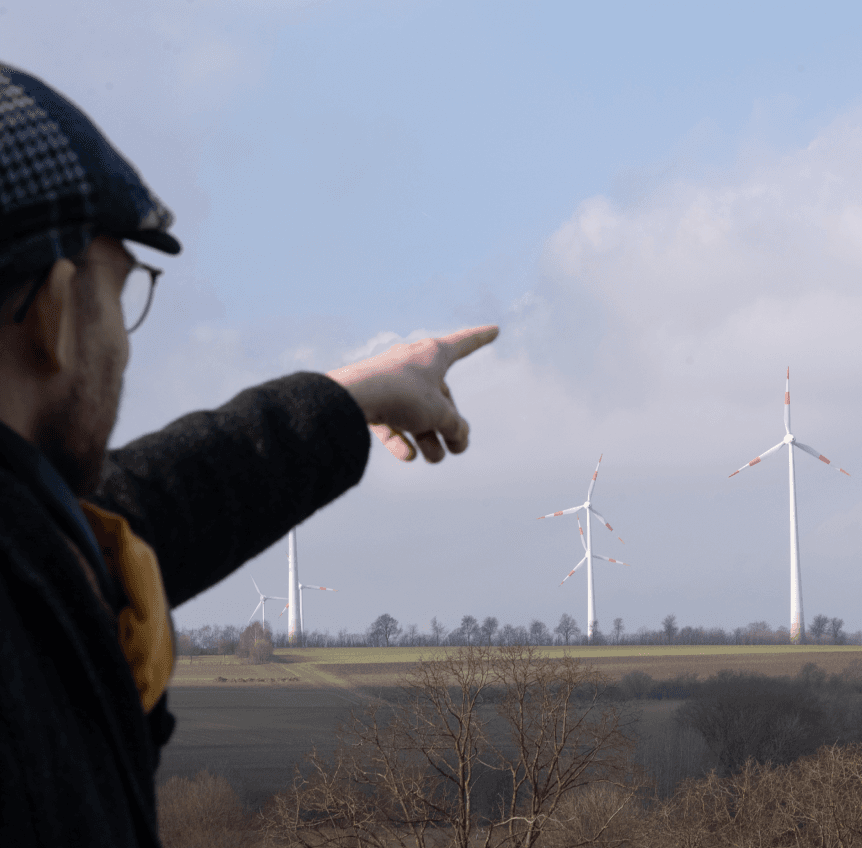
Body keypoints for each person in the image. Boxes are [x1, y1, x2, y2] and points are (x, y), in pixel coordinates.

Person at [0, 63, 497, 846]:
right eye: (122, 293)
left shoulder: (34, 547)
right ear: (55, 310)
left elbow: (133, 518)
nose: (124, 344)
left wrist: (348, 397)